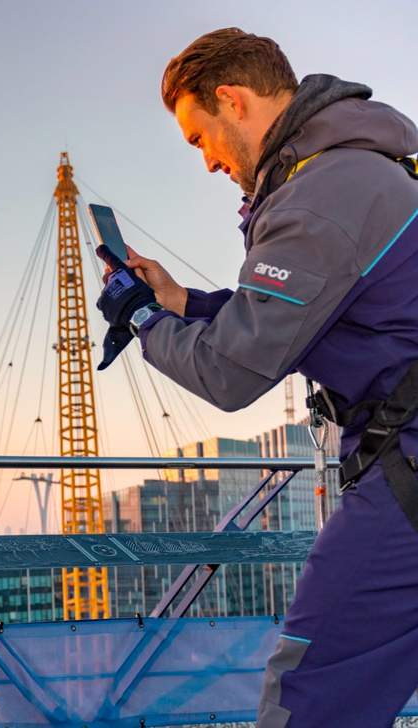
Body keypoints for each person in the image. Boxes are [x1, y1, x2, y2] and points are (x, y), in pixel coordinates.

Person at [95, 29, 418, 726]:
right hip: (398, 453)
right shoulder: (358, 169)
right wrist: (178, 301)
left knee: (309, 686)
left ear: (231, 100)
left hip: (407, 472)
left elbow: (231, 370)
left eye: (198, 139)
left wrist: (143, 319)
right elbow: (290, 320)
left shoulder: (322, 194)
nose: (206, 162)